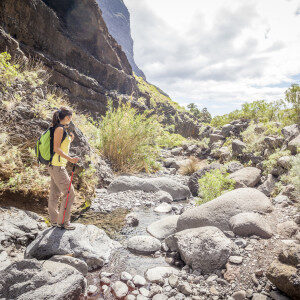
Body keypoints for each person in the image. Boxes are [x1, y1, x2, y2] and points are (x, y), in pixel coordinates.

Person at [46, 107, 80, 230]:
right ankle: (63, 223)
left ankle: (55, 221)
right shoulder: (60, 129)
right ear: (67, 117)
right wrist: (71, 159)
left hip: (53, 165)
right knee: (70, 194)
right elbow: (56, 148)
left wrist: (70, 139)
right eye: (70, 117)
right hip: (58, 167)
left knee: (55, 194)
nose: (71, 119)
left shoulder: (57, 128)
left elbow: (61, 144)